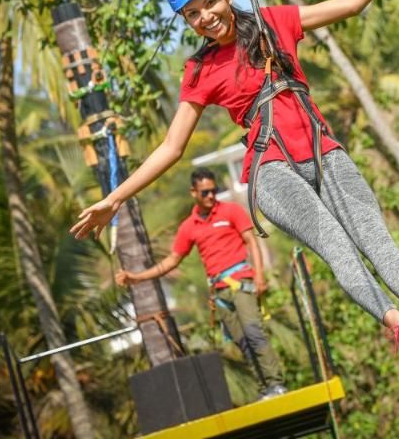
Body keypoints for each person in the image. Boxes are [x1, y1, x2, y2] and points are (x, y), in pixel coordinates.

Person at [72, 0, 399, 366]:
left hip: (324, 151)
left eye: (209, 3)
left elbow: (349, 4)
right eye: (192, 14)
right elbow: (171, 148)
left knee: (375, 236)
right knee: (336, 243)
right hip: (271, 170)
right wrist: (115, 199)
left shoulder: (274, 22)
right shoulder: (200, 70)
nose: (205, 17)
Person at [114, 168, 288, 398]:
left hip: (240, 283)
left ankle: (276, 383)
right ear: (193, 192)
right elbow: (172, 261)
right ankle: (264, 388)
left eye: (213, 191)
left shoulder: (230, 211)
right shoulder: (189, 226)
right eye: (205, 192)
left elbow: (251, 241)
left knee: (254, 332)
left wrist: (259, 276)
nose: (211, 196)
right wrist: (136, 277)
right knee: (242, 342)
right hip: (220, 292)